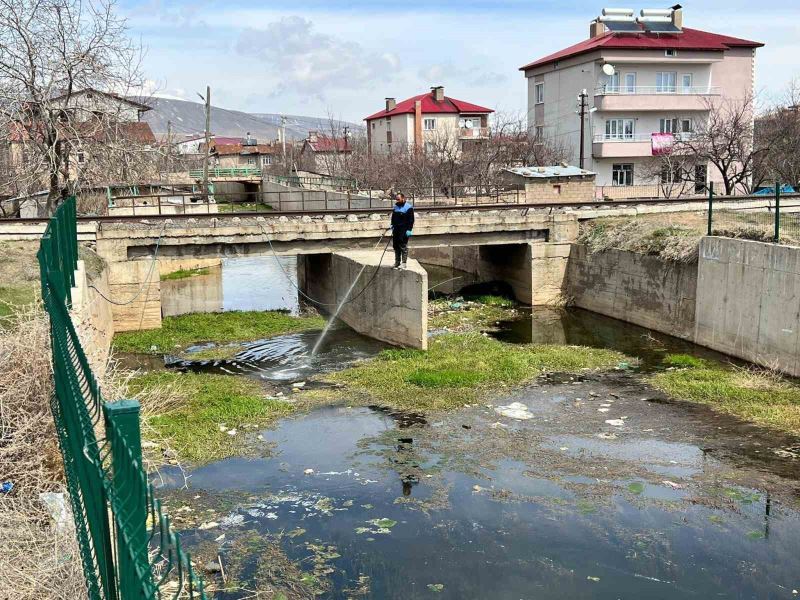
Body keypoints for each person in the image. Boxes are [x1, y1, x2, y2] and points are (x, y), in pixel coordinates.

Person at [390, 193, 414, 269]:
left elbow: (411, 220)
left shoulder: (408, 208)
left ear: (403, 199)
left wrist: (409, 230)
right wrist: (392, 224)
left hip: (404, 230)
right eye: (396, 199)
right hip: (396, 230)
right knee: (396, 246)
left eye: (398, 199)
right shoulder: (396, 207)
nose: (397, 200)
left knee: (403, 246)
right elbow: (393, 218)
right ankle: (397, 262)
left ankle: (404, 263)